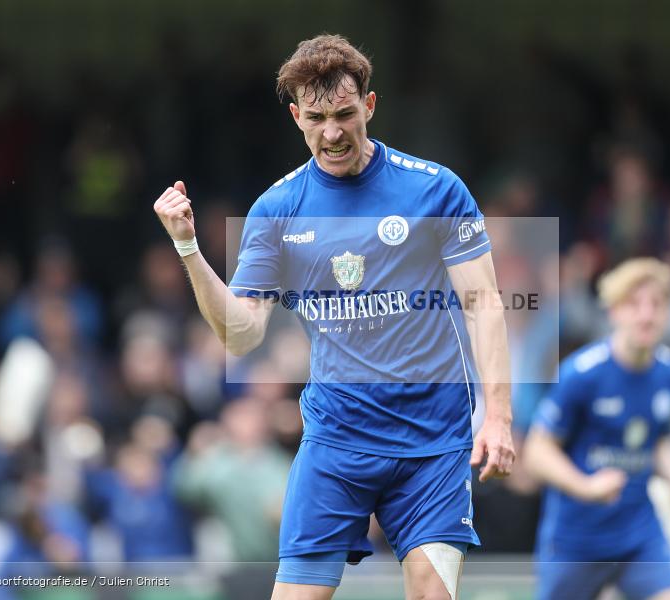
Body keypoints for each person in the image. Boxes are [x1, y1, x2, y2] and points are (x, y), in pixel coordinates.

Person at [153, 34, 514, 600]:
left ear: (369, 106)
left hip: (433, 442)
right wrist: (188, 248)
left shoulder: (435, 190)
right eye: (317, 118)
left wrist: (499, 417)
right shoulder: (277, 210)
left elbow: (484, 303)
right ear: (296, 117)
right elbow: (242, 335)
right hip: (336, 442)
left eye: (345, 115)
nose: (332, 133)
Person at [523, 258, 670, 600]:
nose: (646, 315)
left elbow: (653, 442)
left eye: (656, 304)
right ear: (614, 312)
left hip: (638, 536)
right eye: (634, 304)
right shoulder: (582, 374)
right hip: (576, 541)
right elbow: (536, 452)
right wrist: (586, 487)